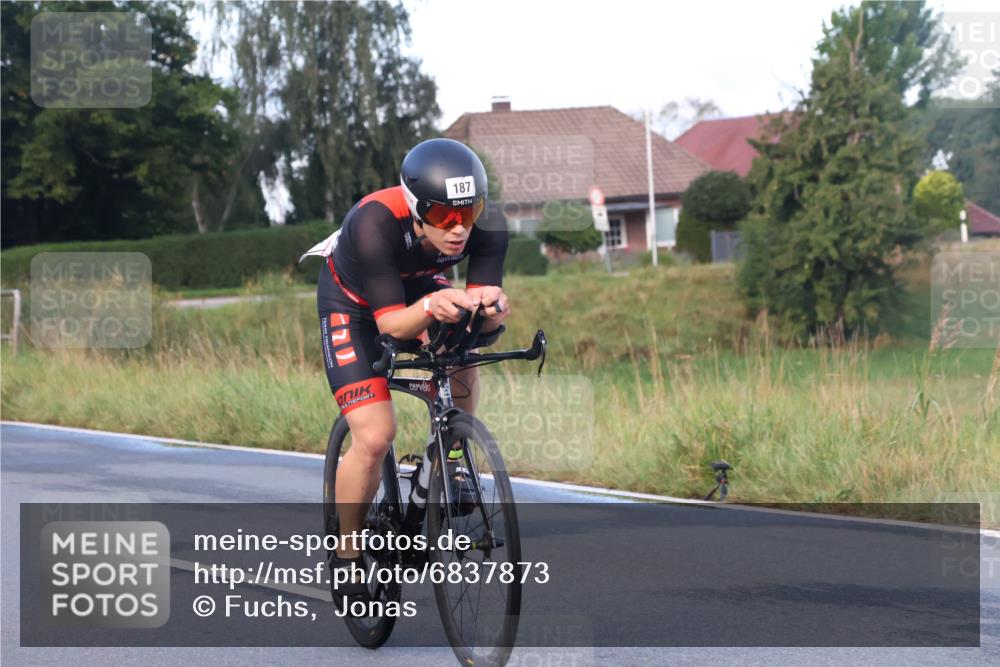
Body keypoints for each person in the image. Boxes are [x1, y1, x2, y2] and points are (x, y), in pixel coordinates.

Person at [300, 138, 510, 611]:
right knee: (375, 436)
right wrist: (434, 304)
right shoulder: (374, 222)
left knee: (464, 343)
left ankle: (448, 459)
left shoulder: (488, 226)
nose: (458, 229)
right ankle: (348, 552)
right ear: (417, 209)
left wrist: (492, 311)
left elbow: (484, 310)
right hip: (353, 307)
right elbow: (391, 324)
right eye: (441, 217)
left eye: (468, 212)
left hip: (417, 287)